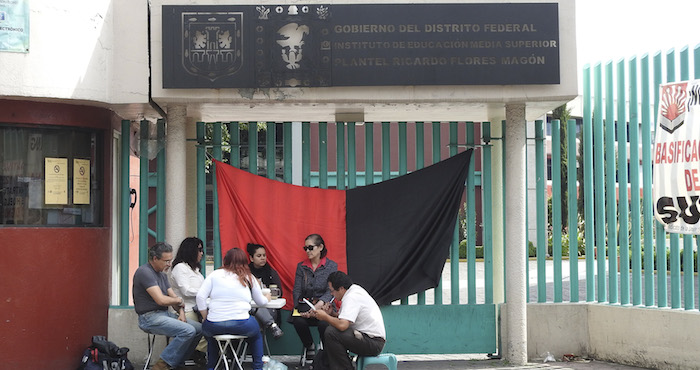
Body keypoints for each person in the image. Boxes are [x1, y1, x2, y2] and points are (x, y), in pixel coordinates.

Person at [196, 248, 271, 370]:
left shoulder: (214, 274)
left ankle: (211, 367)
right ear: (245, 261)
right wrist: (267, 297)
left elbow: (200, 297)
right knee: (256, 334)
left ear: (225, 260)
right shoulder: (248, 277)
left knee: (211, 338)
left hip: (214, 324)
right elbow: (261, 302)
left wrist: (205, 317)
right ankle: (257, 367)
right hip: (242, 324)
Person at [133, 242, 203, 370]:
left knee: (199, 329)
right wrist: (177, 300)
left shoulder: (162, 276)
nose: (169, 264)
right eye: (166, 261)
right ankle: (161, 366)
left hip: (164, 315)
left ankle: (176, 363)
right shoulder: (144, 272)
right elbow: (161, 300)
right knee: (188, 330)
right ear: (155, 258)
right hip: (149, 318)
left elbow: (174, 299)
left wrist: (181, 312)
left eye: (170, 260)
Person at [304, 271, 386, 370]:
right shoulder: (354, 290)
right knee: (330, 329)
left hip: (373, 343)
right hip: (366, 338)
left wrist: (325, 317)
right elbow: (347, 319)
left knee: (331, 333)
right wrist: (332, 314)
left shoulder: (351, 297)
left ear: (341, 288)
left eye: (332, 291)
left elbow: (342, 325)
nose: (331, 294)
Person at [291, 233, 338, 362]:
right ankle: (309, 345)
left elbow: (331, 291)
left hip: (323, 307)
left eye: (310, 248)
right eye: (305, 248)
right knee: (297, 321)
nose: (307, 251)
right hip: (305, 307)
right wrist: (300, 307)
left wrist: (318, 307)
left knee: (324, 324)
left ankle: (326, 351)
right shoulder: (302, 267)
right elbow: (297, 290)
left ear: (320, 247)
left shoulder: (331, 266)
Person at [169, 237, 207, 363]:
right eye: (199, 250)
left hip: (199, 307)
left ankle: (202, 353)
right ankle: (196, 353)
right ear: (191, 251)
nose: (202, 253)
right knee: (201, 328)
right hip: (185, 309)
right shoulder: (180, 268)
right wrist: (205, 293)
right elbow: (186, 290)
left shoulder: (195, 269)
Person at [247, 242, 284, 339]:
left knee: (255, 321)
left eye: (264, 255)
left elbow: (279, 293)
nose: (263, 258)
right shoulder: (246, 273)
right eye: (259, 256)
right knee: (255, 319)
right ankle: (272, 325)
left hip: (269, 308)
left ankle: (256, 353)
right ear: (251, 258)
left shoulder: (271, 272)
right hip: (250, 308)